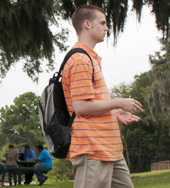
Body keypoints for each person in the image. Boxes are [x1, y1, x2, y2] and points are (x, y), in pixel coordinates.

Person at [62, 5, 143, 188]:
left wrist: (113, 113)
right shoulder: (80, 60)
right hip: (93, 148)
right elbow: (81, 107)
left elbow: (91, 103)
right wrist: (119, 102)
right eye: (103, 23)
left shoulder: (90, 58)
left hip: (110, 149)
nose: (107, 28)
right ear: (88, 24)